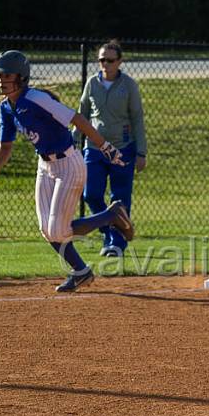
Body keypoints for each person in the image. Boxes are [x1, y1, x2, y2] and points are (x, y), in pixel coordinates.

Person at [0, 50, 135, 292]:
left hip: (68, 164)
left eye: (7, 75)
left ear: (21, 77)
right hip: (44, 166)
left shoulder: (35, 98)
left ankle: (112, 214)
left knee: (58, 230)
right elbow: (6, 143)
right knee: (47, 230)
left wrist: (105, 147)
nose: (1, 81)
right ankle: (81, 272)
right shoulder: (7, 107)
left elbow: (77, 119)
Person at [79, 40, 147, 258]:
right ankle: (108, 232)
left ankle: (116, 244)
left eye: (110, 60)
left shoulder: (128, 85)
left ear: (119, 61)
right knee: (91, 194)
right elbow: (82, 115)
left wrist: (141, 152)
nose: (105, 64)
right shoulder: (92, 83)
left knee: (120, 197)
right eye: (101, 60)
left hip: (123, 149)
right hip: (95, 148)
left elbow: (137, 119)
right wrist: (72, 142)